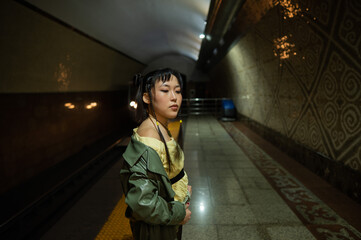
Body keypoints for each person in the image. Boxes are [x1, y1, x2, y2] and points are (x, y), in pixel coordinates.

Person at [120, 68, 192, 240]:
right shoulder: (148, 140)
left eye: (178, 91)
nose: (174, 97)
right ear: (146, 97)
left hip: (166, 224)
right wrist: (179, 213)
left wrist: (184, 190)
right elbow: (143, 203)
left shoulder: (159, 126)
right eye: (165, 90)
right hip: (157, 230)